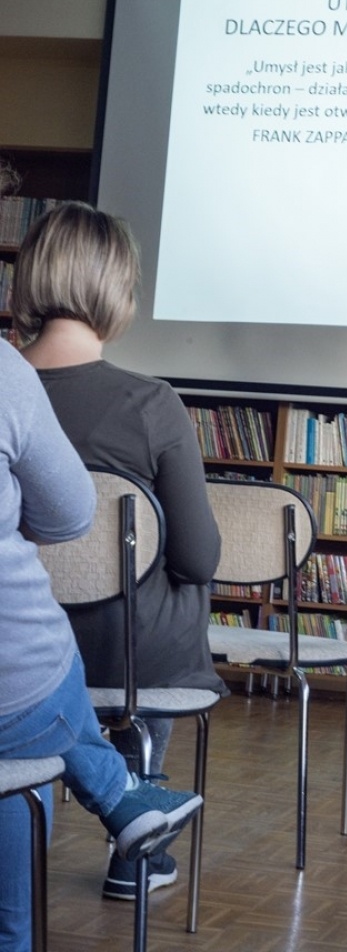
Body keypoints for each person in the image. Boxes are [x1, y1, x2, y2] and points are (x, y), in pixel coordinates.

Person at [0, 164, 203, 952]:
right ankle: (128, 802)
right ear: (116, 288)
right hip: (78, 664)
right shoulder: (144, 403)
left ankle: (119, 795)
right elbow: (194, 550)